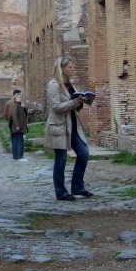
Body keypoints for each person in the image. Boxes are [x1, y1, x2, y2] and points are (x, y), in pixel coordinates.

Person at [43, 56, 93, 200]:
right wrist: (75, 102)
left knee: (83, 153)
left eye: (72, 66)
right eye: (70, 67)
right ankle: (61, 192)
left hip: (73, 125)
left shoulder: (71, 84)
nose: (73, 69)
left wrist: (83, 101)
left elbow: (74, 102)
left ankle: (77, 186)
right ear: (62, 69)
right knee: (61, 159)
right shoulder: (54, 84)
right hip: (59, 126)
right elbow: (56, 107)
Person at [3, 89, 28, 161]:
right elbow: (14, 115)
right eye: (19, 97)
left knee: (15, 140)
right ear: (15, 96)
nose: (20, 98)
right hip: (16, 125)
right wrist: (16, 124)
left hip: (14, 124)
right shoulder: (15, 105)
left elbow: (24, 115)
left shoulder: (20, 105)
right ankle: (18, 156)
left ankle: (16, 155)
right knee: (18, 141)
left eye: (20, 97)